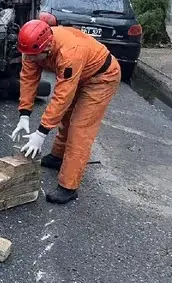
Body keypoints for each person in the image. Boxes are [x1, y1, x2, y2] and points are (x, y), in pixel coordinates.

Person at [10, 20, 121, 204]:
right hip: (81, 73)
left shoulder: (70, 53)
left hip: (102, 77)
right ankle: (58, 156)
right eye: (26, 55)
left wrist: (41, 133)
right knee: (67, 116)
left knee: (80, 128)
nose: (29, 59)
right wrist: (24, 113)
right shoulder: (31, 50)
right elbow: (28, 79)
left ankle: (68, 186)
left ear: (48, 46)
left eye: (34, 56)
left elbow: (62, 96)